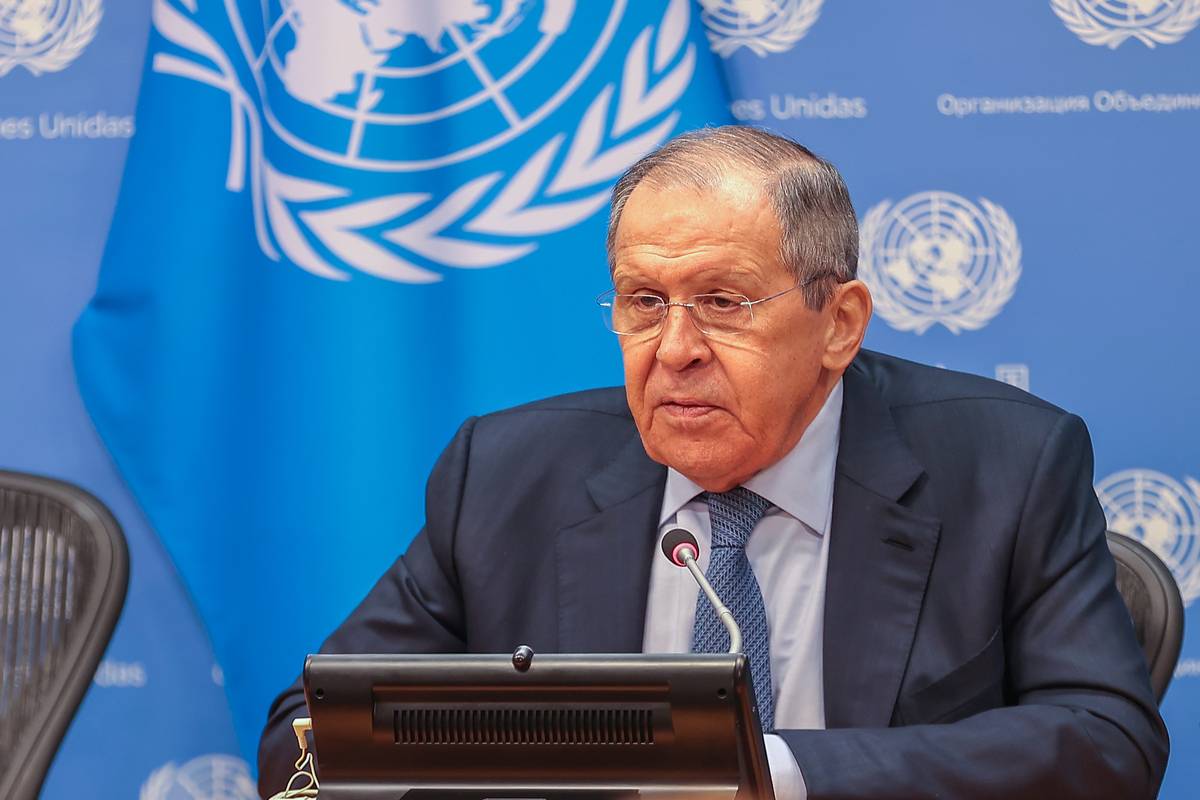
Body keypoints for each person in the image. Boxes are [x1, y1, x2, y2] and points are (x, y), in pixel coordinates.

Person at [257, 126, 1168, 799]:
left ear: (839, 324)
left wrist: (775, 772)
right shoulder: (504, 473)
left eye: (723, 302)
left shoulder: (1005, 463)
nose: (674, 348)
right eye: (643, 301)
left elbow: (1106, 741)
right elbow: (303, 738)